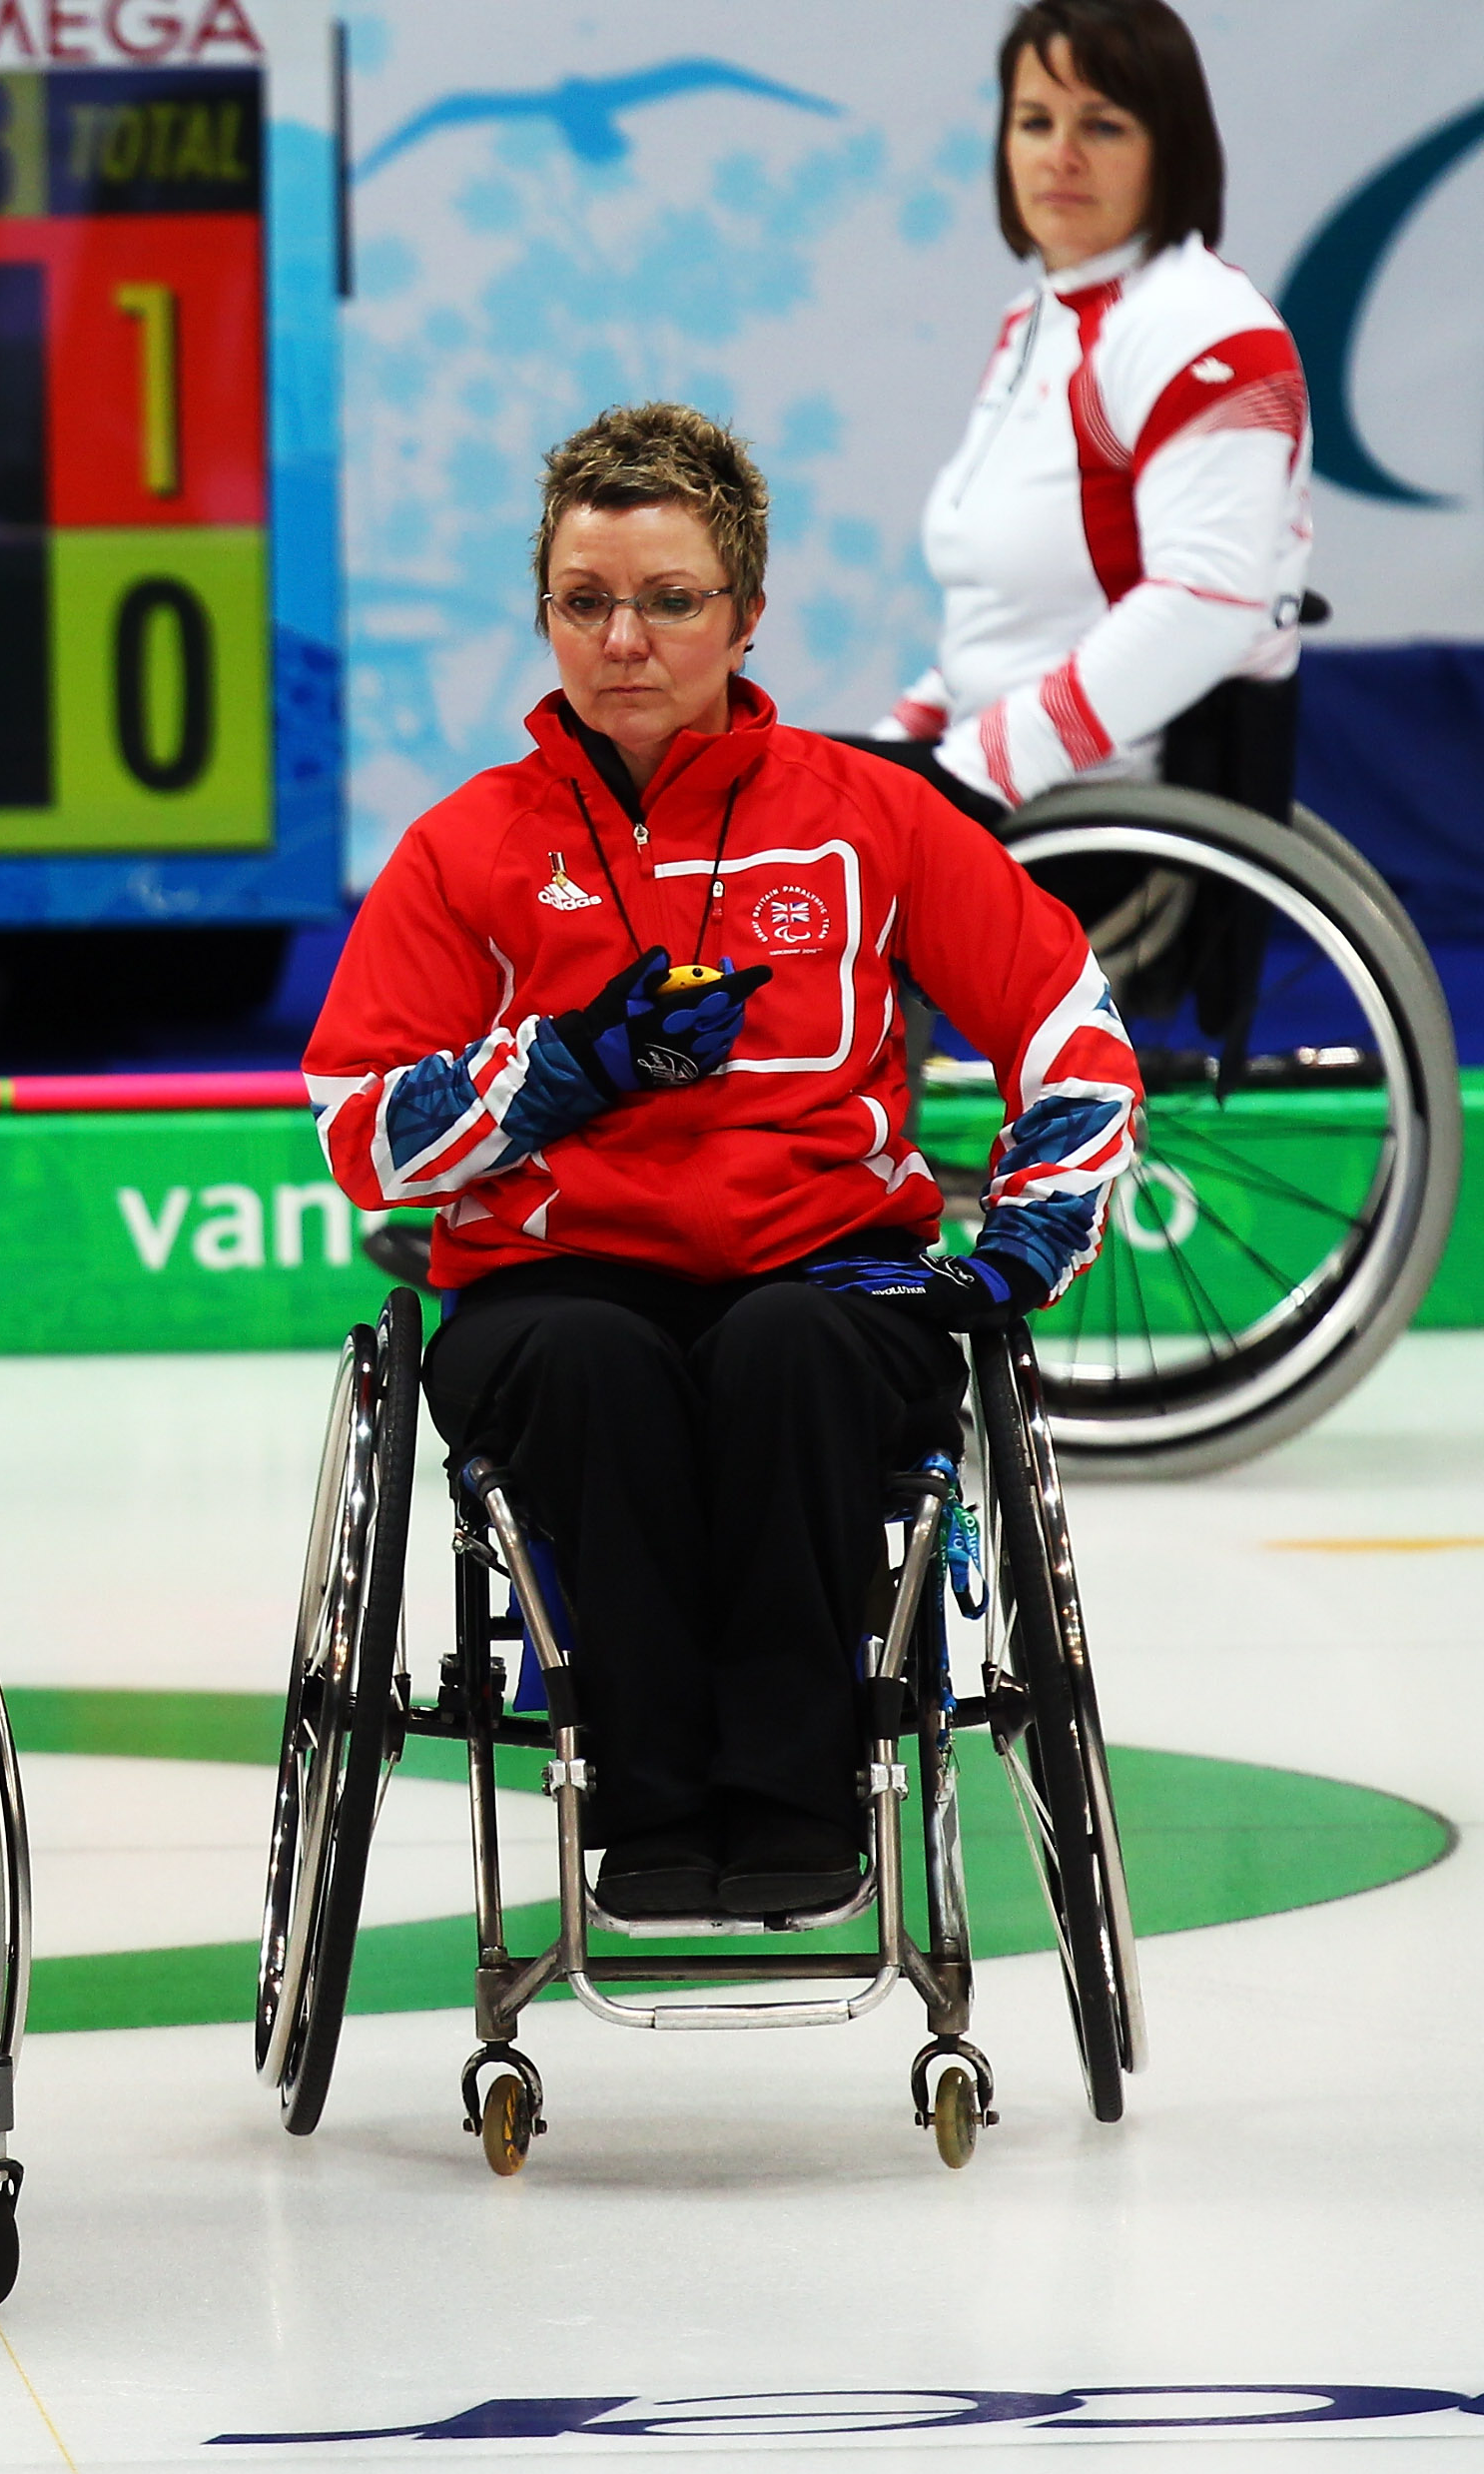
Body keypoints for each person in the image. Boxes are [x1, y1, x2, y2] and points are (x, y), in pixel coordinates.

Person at [305, 403, 1139, 1922]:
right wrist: (552, 1072)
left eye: (670, 600)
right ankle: (648, 1803)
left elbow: (1069, 1023)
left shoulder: (869, 814)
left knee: (789, 1349)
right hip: (554, 1286)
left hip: (826, 1276)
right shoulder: (462, 848)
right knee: (593, 1369)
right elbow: (356, 1130)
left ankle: (796, 1798)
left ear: (745, 615)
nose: (624, 637)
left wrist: (1032, 1230)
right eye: (585, 601)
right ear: (545, 611)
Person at [880, 0, 1309, 824]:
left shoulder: (1203, 330)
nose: (1061, 156)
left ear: (1171, 148)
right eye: (1035, 121)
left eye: (1103, 127)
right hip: (1010, 773)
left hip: (1101, 809)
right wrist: (900, 737)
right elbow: (1011, 623)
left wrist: (965, 775)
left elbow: (1207, 601)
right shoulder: (1037, 322)